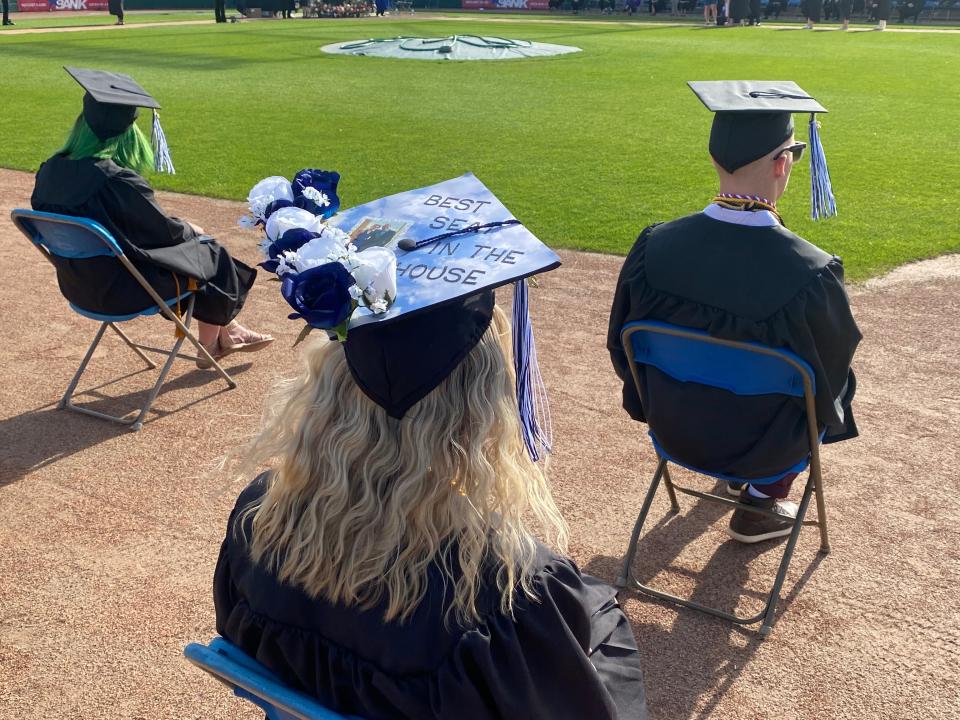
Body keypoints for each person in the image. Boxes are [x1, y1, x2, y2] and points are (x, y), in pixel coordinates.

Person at [215, 220, 648, 719]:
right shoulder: (504, 591)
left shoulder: (259, 518)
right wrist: (598, 613)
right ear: (477, 416)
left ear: (330, 388)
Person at [607, 81, 861, 544]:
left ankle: (733, 475)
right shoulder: (812, 272)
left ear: (713, 159)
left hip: (674, 430)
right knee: (833, 378)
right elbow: (829, 383)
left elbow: (622, 351)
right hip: (765, 448)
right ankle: (762, 501)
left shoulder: (653, 247)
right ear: (783, 163)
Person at [31, 68, 272, 367]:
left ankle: (228, 333)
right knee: (208, 250)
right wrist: (190, 228)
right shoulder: (118, 181)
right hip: (125, 290)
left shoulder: (49, 171)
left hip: (79, 285)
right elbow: (165, 234)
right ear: (128, 131)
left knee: (193, 254)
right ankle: (211, 343)